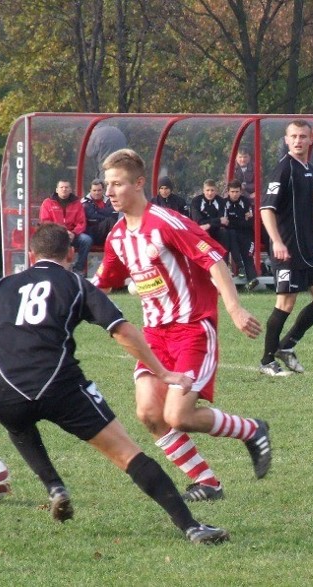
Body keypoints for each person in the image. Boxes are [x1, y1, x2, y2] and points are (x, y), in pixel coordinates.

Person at [0, 222, 228, 544]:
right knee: (127, 454)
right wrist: (163, 372)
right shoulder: (76, 284)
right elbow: (122, 330)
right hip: (60, 386)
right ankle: (192, 527)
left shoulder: (0, 284)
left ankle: (55, 486)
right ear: (71, 253)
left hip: (1, 390)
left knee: (17, 421)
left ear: (31, 255)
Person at [92, 148, 270, 503]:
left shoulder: (167, 223)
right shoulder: (117, 238)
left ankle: (252, 430)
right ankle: (207, 482)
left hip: (192, 330)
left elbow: (215, 259)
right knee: (148, 413)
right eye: (107, 185)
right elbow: (101, 283)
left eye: (117, 184)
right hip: (154, 338)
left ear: (139, 183)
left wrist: (233, 308)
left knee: (178, 415)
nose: (109, 192)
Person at [259, 120, 313, 377]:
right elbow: (266, 210)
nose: (298, 141)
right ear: (286, 140)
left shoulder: (311, 171)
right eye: (293, 136)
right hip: (288, 249)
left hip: (309, 248)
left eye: (303, 136)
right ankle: (266, 361)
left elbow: (307, 211)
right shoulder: (283, 169)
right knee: (285, 303)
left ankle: (287, 346)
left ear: (310, 139)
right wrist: (277, 242)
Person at [39, 179, 93, 276]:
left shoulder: (77, 203)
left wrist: (74, 233)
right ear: (57, 190)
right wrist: (61, 232)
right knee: (49, 242)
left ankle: (78, 269)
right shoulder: (47, 203)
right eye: (61, 187)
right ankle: (55, 269)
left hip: (73, 234)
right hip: (55, 235)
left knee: (86, 240)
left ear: (70, 190)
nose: (64, 189)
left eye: (66, 187)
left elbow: (81, 222)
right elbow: (45, 222)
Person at [225, 179, 259, 291]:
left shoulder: (246, 202)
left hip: (247, 235)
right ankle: (238, 270)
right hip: (231, 236)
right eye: (232, 191)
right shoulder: (224, 203)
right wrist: (240, 220)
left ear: (241, 192)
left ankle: (252, 280)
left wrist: (233, 221)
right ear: (228, 192)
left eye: (237, 191)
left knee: (248, 256)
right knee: (231, 234)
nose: (235, 194)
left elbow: (249, 222)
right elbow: (225, 223)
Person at [189, 179, 229, 252]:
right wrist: (218, 220)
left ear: (216, 191)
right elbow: (199, 222)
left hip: (216, 230)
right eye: (207, 190)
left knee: (225, 233)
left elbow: (224, 222)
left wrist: (209, 225)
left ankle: (224, 261)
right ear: (203, 190)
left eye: (212, 190)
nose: (210, 193)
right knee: (204, 232)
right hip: (200, 231)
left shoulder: (221, 201)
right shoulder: (196, 201)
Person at [82, 179, 117, 246]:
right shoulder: (84, 202)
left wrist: (96, 211)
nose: (97, 193)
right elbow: (91, 217)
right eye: (94, 190)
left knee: (112, 221)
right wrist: (106, 213)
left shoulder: (109, 201)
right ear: (90, 190)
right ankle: (113, 245)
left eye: (99, 190)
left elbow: (114, 215)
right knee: (109, 220)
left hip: (106, 232)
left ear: (103, 190)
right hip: (91, 233)